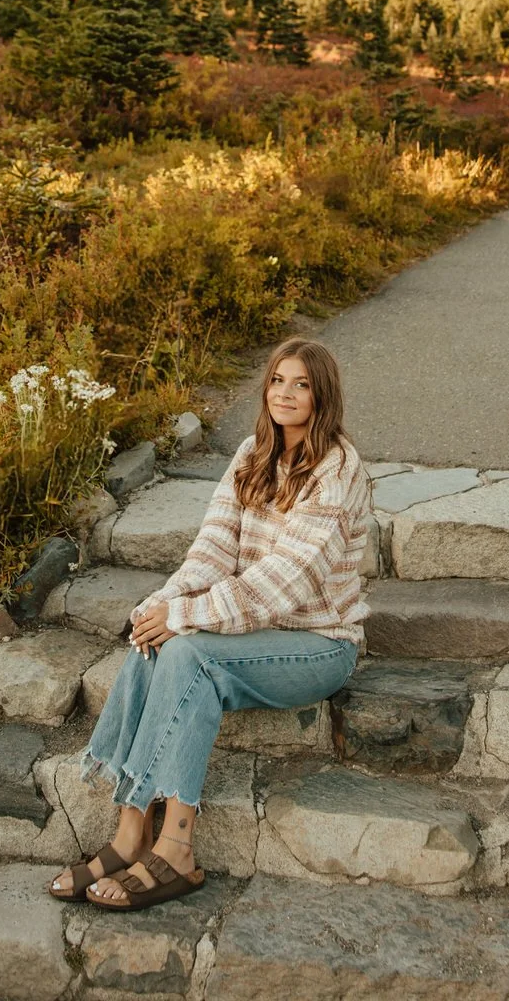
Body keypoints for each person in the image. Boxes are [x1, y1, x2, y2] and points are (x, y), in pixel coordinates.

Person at [48, 336, 370, 911]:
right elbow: (213, 549)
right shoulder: (252, 453)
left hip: (318, 644)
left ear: (322, 396)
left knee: (188, 651)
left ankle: (175, 847)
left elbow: (286, 582)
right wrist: (163, 604)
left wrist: (188, 616)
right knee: (155, 641)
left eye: (301, 384)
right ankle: (130, 834)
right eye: (277, 380)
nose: (285, 393)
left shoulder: (338, 468)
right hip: (251, 632)